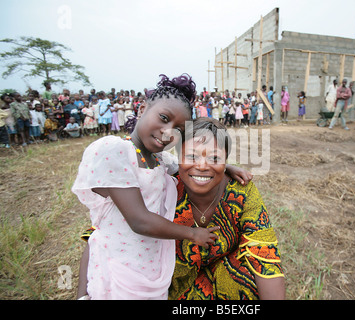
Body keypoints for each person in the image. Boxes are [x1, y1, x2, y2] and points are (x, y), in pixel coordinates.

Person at [72, 74, 221, 300]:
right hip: (118, 269)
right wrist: (193, 234)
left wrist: (226, 167)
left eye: (179, 129)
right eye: (163, 118)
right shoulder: (115, 150)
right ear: (142, 109)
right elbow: (139, 220)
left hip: (148, 268)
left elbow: (190, 166)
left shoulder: (159, 159)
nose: (168, 131)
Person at [169, 118, 285, 300]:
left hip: (225, 277)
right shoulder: (165, 188)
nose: (201, 166)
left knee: (248, 275)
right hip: (171, 285)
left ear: (225, 161)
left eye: (214, 158)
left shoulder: (241, 192)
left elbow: (264, 254)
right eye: (192, 156)